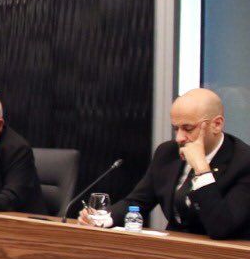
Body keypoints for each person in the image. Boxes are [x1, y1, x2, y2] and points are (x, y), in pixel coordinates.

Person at [84, 88, 250, 239]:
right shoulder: (168, 152)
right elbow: (138, 202)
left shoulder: (243, 161)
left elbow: (221, 228)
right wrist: (101, 219)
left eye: (188, 128)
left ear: (217, 124)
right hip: (173, 251)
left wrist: (201, 169)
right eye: (176, 128)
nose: (179, 138)